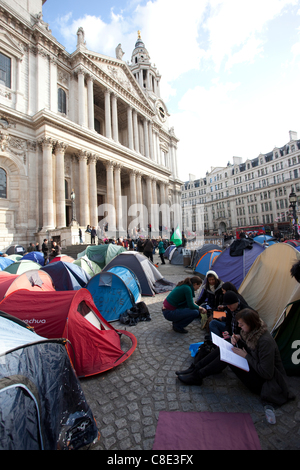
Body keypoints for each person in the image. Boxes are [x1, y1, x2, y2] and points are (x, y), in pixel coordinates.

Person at [177, 308, 295, 406]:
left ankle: (198, 376)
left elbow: (266, 373)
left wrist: (246, 356)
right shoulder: (252, 333)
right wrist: (238, 338)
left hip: (264, 383)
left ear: (251, 324)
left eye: (241, 324)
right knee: (226, 346)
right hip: (256, 371)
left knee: (229, 357)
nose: (239, 326)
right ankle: (196, 368)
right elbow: (252, 349)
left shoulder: (265, 342)